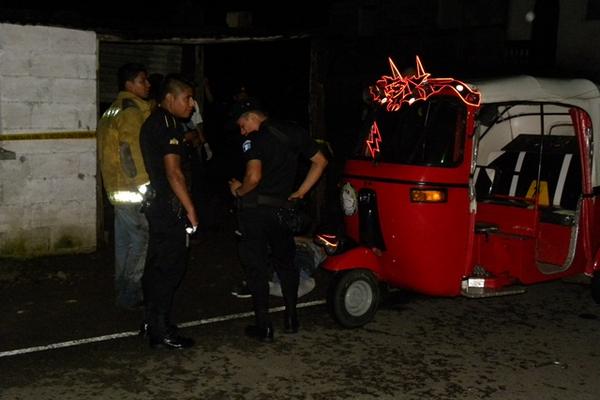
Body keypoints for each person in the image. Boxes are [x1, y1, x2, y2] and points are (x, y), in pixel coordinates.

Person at [228, 101, 328, 342]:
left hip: (255, 212)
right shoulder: (293, 131)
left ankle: (264, 326)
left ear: (252, 117)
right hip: (283, 212)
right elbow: (321, 161)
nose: (243, 132)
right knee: (286, 264)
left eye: (243, 125)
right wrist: (300, 192)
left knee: (256, 267)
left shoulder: (255, 139)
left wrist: (238, 190)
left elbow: (253, 176)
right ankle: (291, 319)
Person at [139, 74, 199, 350]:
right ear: (170, 99)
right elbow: (174, 173)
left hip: (158, 204)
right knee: (170, 268)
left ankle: (152, 322)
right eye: (187, 98)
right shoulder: (168, 124)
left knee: (156, 265)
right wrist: (190, 209)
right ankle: (160, 331)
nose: (193, 104)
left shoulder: (155, 122)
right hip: (169, 206)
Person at [97, 63, 152, 310]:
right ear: (129, 84)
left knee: (124, 242)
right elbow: (128, 152)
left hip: (116, 189)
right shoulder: (131, 112)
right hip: (132, 190)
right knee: (141, 240)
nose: (148, 85)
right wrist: (144, 186)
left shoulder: (111, 111)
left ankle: (122, 289)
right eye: (143, 81)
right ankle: (130, 293)